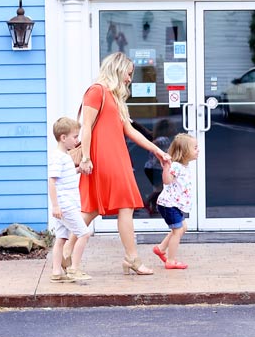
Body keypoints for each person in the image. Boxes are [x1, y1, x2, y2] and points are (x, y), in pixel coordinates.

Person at [69, 52, 171, 276]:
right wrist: (85, 158)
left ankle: (67, 252)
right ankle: (131, 258)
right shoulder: (96, 91)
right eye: (128, 73)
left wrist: (157, 150)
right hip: (103, 157)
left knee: (96, 208)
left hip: (117, 157)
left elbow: (130, 131)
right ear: (117, 69)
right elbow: (87, 127)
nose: (129, 79)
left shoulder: (114, 96)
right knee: (121, 204)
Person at [48, 116, 91, 283]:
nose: (77, 140)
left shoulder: (64, 156)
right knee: (84, 233)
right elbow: (52, 181)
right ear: (63, 137)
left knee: (61, 238)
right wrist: (55, 206)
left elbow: (64, 177)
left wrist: (78, 170)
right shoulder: (58, 157)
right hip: (65, 205)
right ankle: (74, 268)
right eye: (75, 137)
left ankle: (56, 271)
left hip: (65, 205)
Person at [153, 133, 198, 270]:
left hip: (174, 204)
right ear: (184, 151)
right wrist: (166, 168)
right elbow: (167, 181)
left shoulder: (184, 166)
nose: (198, 150)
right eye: (195, 148)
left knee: (182, 228)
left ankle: (161, 248)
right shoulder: (176, 166)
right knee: (177, 231)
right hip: (168, 205)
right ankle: (171, 261)